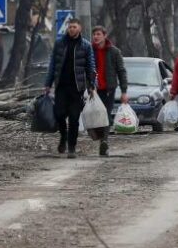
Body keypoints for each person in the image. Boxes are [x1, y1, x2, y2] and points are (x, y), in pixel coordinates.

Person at [44, 19, 96, 159]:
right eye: (69, 27)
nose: (71, 29)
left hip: (77, 88)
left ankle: (72, 147)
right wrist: (48, 84)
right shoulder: (60, 44)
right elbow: (53, 65)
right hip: (61, 86)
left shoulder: (85, 46)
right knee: (59, 114)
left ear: (79, 28)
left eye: (74, 27)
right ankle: (63, 137)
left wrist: (92, 85)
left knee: (74, 118)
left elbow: (91, 67)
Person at [91, 26, 128, 157]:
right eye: (94, 34)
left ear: (105, 36)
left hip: (108, 89)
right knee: (94, 116)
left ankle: (104, 141)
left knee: (105, 115)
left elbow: (121, 71)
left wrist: (124, 91)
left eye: (98, 34)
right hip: (92, 90)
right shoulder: (89, 51)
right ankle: (100, 138)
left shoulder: (114, 52)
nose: (96, 37)